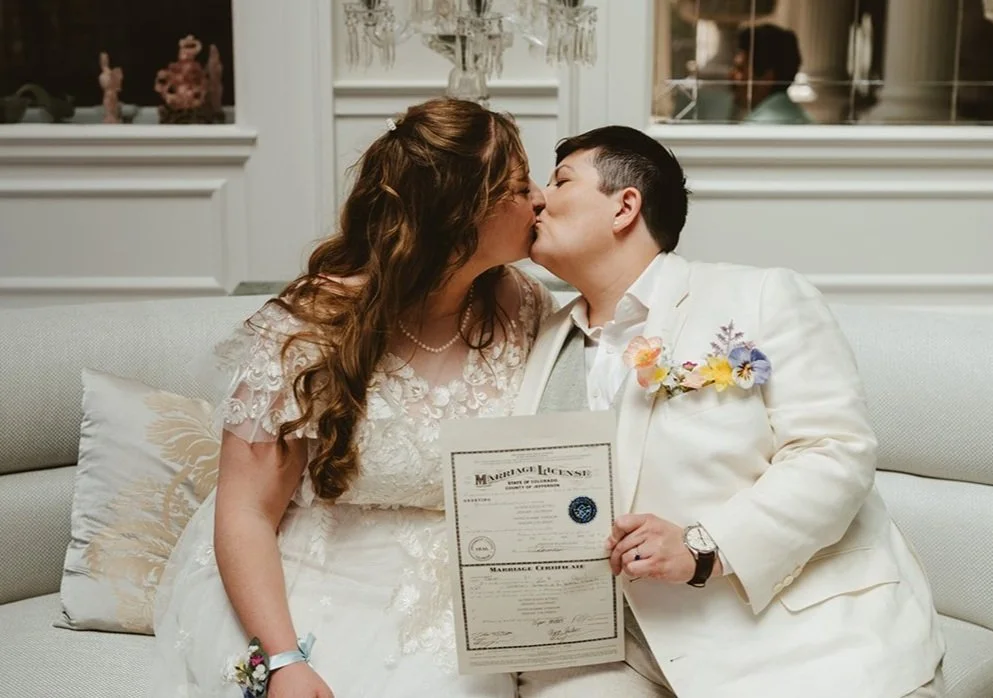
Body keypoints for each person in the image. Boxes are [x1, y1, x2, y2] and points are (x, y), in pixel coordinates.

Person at [513, 126, 945, 697]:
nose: (538, 199)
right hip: (615, 652)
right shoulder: (537, 339)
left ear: (625, 206)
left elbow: (835, 455)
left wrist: (703, 544)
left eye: (560, 180)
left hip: (798, 643)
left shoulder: (761, 297)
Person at [150, 98, 553, 698]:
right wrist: (284, 659)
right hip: (315, 588)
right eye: (521, 187)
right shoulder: (307, 329)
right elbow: (244, 512)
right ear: (461, 213)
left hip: (465, 598)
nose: (541, 198)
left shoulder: (520, 306)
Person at [730, 23, 814, 124]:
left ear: (766, 78)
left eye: (740, 69)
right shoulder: (807, 121)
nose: (731, 75)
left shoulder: (754, 131)